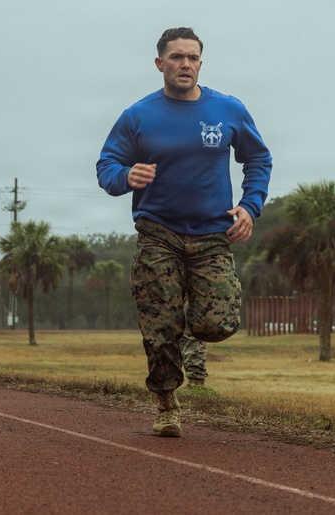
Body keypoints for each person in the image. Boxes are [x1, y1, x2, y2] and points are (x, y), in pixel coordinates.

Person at [96, 27, 272, 438]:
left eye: (192, 57)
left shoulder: (228, 109)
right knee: (159, 329)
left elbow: (258, 159)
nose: (185, 65)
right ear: (160, 63)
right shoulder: (138, 116)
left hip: (213, 235)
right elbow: (106, 168)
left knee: (217, 324)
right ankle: (166, 403)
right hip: (159, 234)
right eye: (176, 57)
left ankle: (187, 323)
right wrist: (126, 175)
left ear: (201, 63)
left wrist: (250, 206)